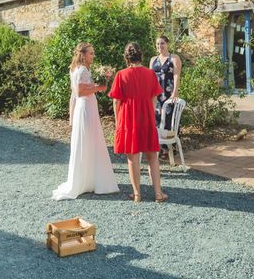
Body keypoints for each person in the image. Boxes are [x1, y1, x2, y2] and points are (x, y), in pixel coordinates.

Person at [52, 42, 119, 200]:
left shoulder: (78, 68)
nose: (93, 56)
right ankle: (89, 180)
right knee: (89, 140)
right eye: (91, 53)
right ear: (83, 55)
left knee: (88, 141)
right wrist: (99, 88)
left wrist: (98, 84)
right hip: (85, 108)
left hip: (86, 107)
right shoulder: (82, 69)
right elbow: (80, 92)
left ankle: (88, 178)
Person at [108, 42, 168, 203]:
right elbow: (154, 99)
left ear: (126, 57)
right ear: (140, 55)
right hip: (146, 118)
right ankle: (158, 194)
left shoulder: (121, 74)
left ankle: (137, 195)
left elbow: (116, 101)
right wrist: (148, 112)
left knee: (132, 158)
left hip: (128, 119)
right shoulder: (150, 74)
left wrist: (118, 120)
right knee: (152, 157)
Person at [150, 35, 182, 158]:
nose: (160, 46)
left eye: (162, 43)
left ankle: (170, 148)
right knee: (157, 120)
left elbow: (176, 76)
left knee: (169, 119)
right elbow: (150, 77)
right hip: (155, 95)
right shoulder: (153, 60)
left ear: (167, 44)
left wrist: (175, 92)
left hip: (169, 94)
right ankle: (158, 147)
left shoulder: (174, 58)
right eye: (158, 44)